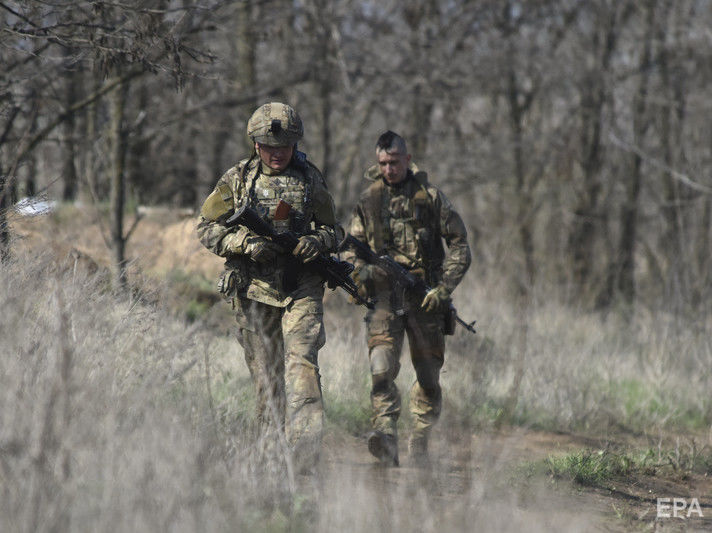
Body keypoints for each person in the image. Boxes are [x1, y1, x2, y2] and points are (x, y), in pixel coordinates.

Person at [197, 102, 344, 472]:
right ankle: (270, 456)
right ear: (255, 144)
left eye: (284, 146)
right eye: (268, 145)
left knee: (302, 366)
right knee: (266, 378)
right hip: (253, 288)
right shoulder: (237, 180)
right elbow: (206, 227)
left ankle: (305, 459)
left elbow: (334, 230)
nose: (277, 153)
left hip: (302, 287)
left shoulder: (310, 178)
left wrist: (319, 242)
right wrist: (243, 244)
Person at [343, 131, 471, 466]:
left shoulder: (430, 198)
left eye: (395, 162)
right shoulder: (368, 201)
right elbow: (351, 252)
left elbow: (460, 245)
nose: (389, 169)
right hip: (385, 301)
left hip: (425, 300)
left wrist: (443, 289)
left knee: (428, 376)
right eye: (383, 163)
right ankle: (385, 435)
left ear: (408, 160)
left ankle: (421, 439)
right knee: (381, 368)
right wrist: (363, 277)